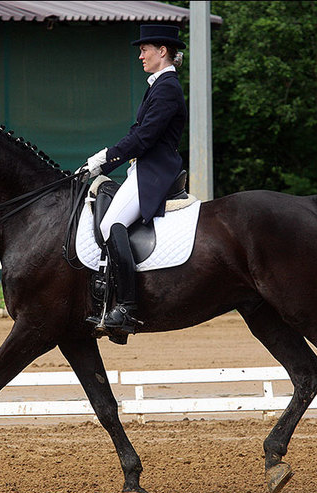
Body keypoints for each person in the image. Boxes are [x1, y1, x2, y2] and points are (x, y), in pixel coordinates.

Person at [80, 24, 187, 334]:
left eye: (145, 50)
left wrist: (104, 160)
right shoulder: (157, 84)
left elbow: (144, 138)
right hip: (143, 168)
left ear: (162, 51)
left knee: (109, 225)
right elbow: (136, 133)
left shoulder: (167, 87)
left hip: (155, 171)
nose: (140, 55)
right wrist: (104, 158)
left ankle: (126, 307)